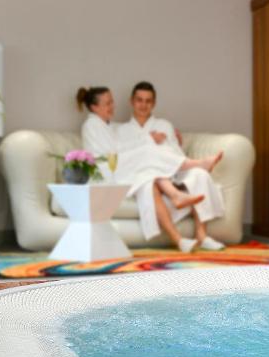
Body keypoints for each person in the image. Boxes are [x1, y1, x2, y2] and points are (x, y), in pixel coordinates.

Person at [76, 85, 213, 252]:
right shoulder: (105, 126)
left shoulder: (160, 125)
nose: (113, 106)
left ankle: (183, 210)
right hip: (116, 172)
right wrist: (149, 139)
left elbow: (174, 150)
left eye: (112, 102)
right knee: (148, 162)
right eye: (108, 103)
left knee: (155, 170)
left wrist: (175, 143)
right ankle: (195, 165)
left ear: (154, 103)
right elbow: (116, 151)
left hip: (157, 173)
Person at [117, 81, 226, 251]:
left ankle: (202, 235)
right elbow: (125, 160)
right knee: (147, 154)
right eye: (139, 100)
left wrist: (170, 144)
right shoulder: (121, 131)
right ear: (132, 101)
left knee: (200, 175)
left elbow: (175, 154)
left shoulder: (164, 125)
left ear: (154, 103)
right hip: (143, 176)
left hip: (171, 174)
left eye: (148, 101)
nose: (143, 105)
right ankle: (199, 165)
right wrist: (148, 142)